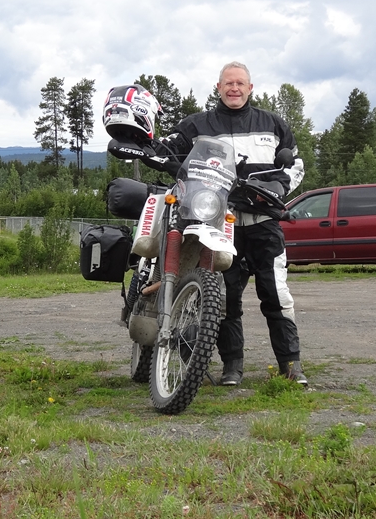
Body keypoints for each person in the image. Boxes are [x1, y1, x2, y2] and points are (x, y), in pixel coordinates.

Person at [108, 62, 307, 386]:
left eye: (240, 83)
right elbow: (167, 149)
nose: (234, 88)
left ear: (250, 87)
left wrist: (277, 186)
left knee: (277, 294)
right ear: (218, 87)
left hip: (263, 221)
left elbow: (295, 164)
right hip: (219, 222)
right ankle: (232, 367)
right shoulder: (196, 125)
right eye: (228, 83)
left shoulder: (273, 124)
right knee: (224, 297)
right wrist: (137, 141)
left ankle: (291, 365)